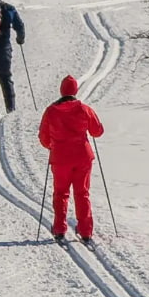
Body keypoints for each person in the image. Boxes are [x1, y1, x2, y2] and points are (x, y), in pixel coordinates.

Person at [39, 75, 104, 245]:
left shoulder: (51, 111)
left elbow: (44, 138)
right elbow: (97, 131)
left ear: (61, 91)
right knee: (82, 193)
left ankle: (59, 229)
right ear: (75, 90)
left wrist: (53, 146)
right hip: (82, 157)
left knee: (61, 193)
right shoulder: (84, 109)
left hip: (60, 159)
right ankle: (86, 231)